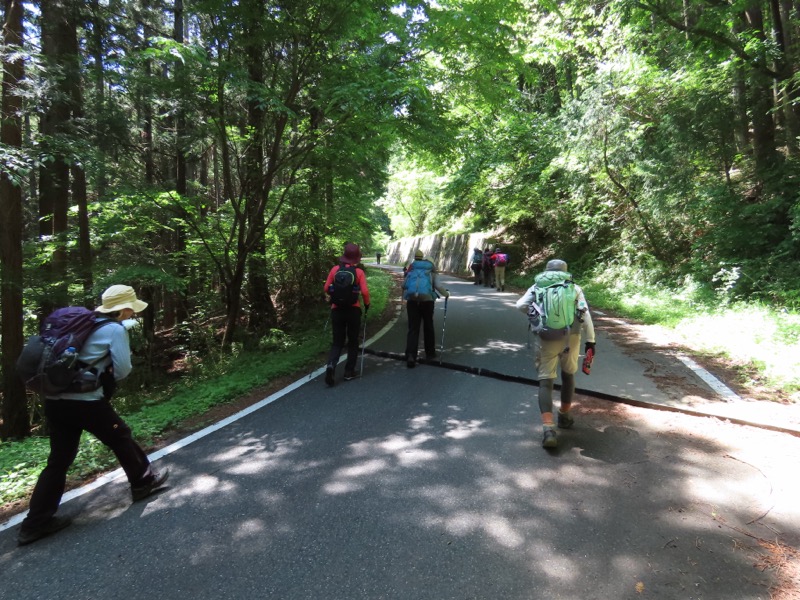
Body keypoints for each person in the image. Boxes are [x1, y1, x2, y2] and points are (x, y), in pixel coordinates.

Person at [18, 285, 169, 546]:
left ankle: (35, 523)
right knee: (120, 436)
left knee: (59, 460)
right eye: (131, 307)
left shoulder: (80, 325)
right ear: (123, 309)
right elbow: (122, 370)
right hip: (86, 402)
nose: (132, 312)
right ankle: (142, 482)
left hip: (55, 401)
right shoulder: (115, 329)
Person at [515, 260, 596, 449]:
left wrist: (535, 315)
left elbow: (520, 305)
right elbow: (585, 314)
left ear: (547, 271)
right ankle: (565, 416)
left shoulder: (538, 286)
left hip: (545, 338)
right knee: (568, 376)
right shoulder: (574, 288)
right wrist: (591, 340)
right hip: (571, 337)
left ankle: (548, 429)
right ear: (565, 271)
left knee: (546, 382)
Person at [324, 242, 371, 385]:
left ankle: (331, 365)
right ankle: (349, 372)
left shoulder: (335, 270)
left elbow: (326, 287)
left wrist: (334, 297)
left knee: (337, 341)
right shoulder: (359, 273)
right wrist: (367, 304)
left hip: (336, 309)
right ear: (356, 258)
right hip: (353, 310)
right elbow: (364, 292)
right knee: (352, 341)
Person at [403, 249, 450, 368]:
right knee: (428, 325)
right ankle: (430, 353)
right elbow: (438, 286)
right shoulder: (432, 273)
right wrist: (446, 294)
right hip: (427, 302)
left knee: (413, 328)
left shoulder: (413, 270)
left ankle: (410, 355)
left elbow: (404, 285)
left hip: (412, 301)